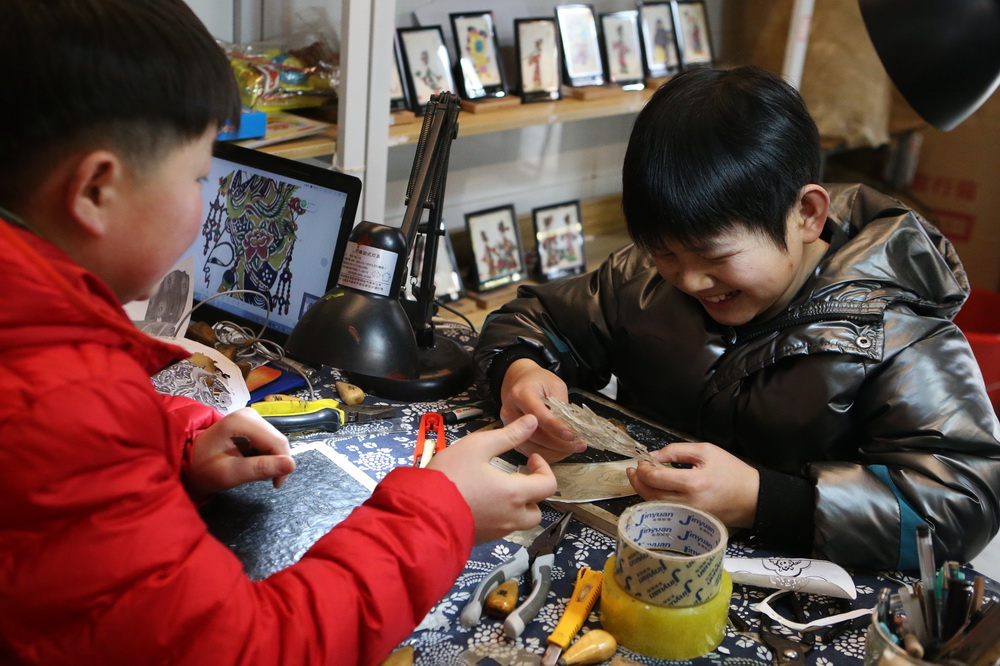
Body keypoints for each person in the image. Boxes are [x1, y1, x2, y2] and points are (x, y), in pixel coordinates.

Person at [0, 2, 556, 664]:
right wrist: (445, 512)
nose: (206, 202)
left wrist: (175, 442)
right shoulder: (62, 408)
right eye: (198, 177)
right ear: (95, 190)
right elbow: (254, 651)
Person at [474, 65, 1000, 571]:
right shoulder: (644, 281)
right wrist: (522, 372)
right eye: (665, 252)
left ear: (807, 215)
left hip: (803, 583)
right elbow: (534, 318)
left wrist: (765, 500)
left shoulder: (898, 335)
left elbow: (963, 503)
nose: (689, 280)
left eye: (716, 256)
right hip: (644, 550)